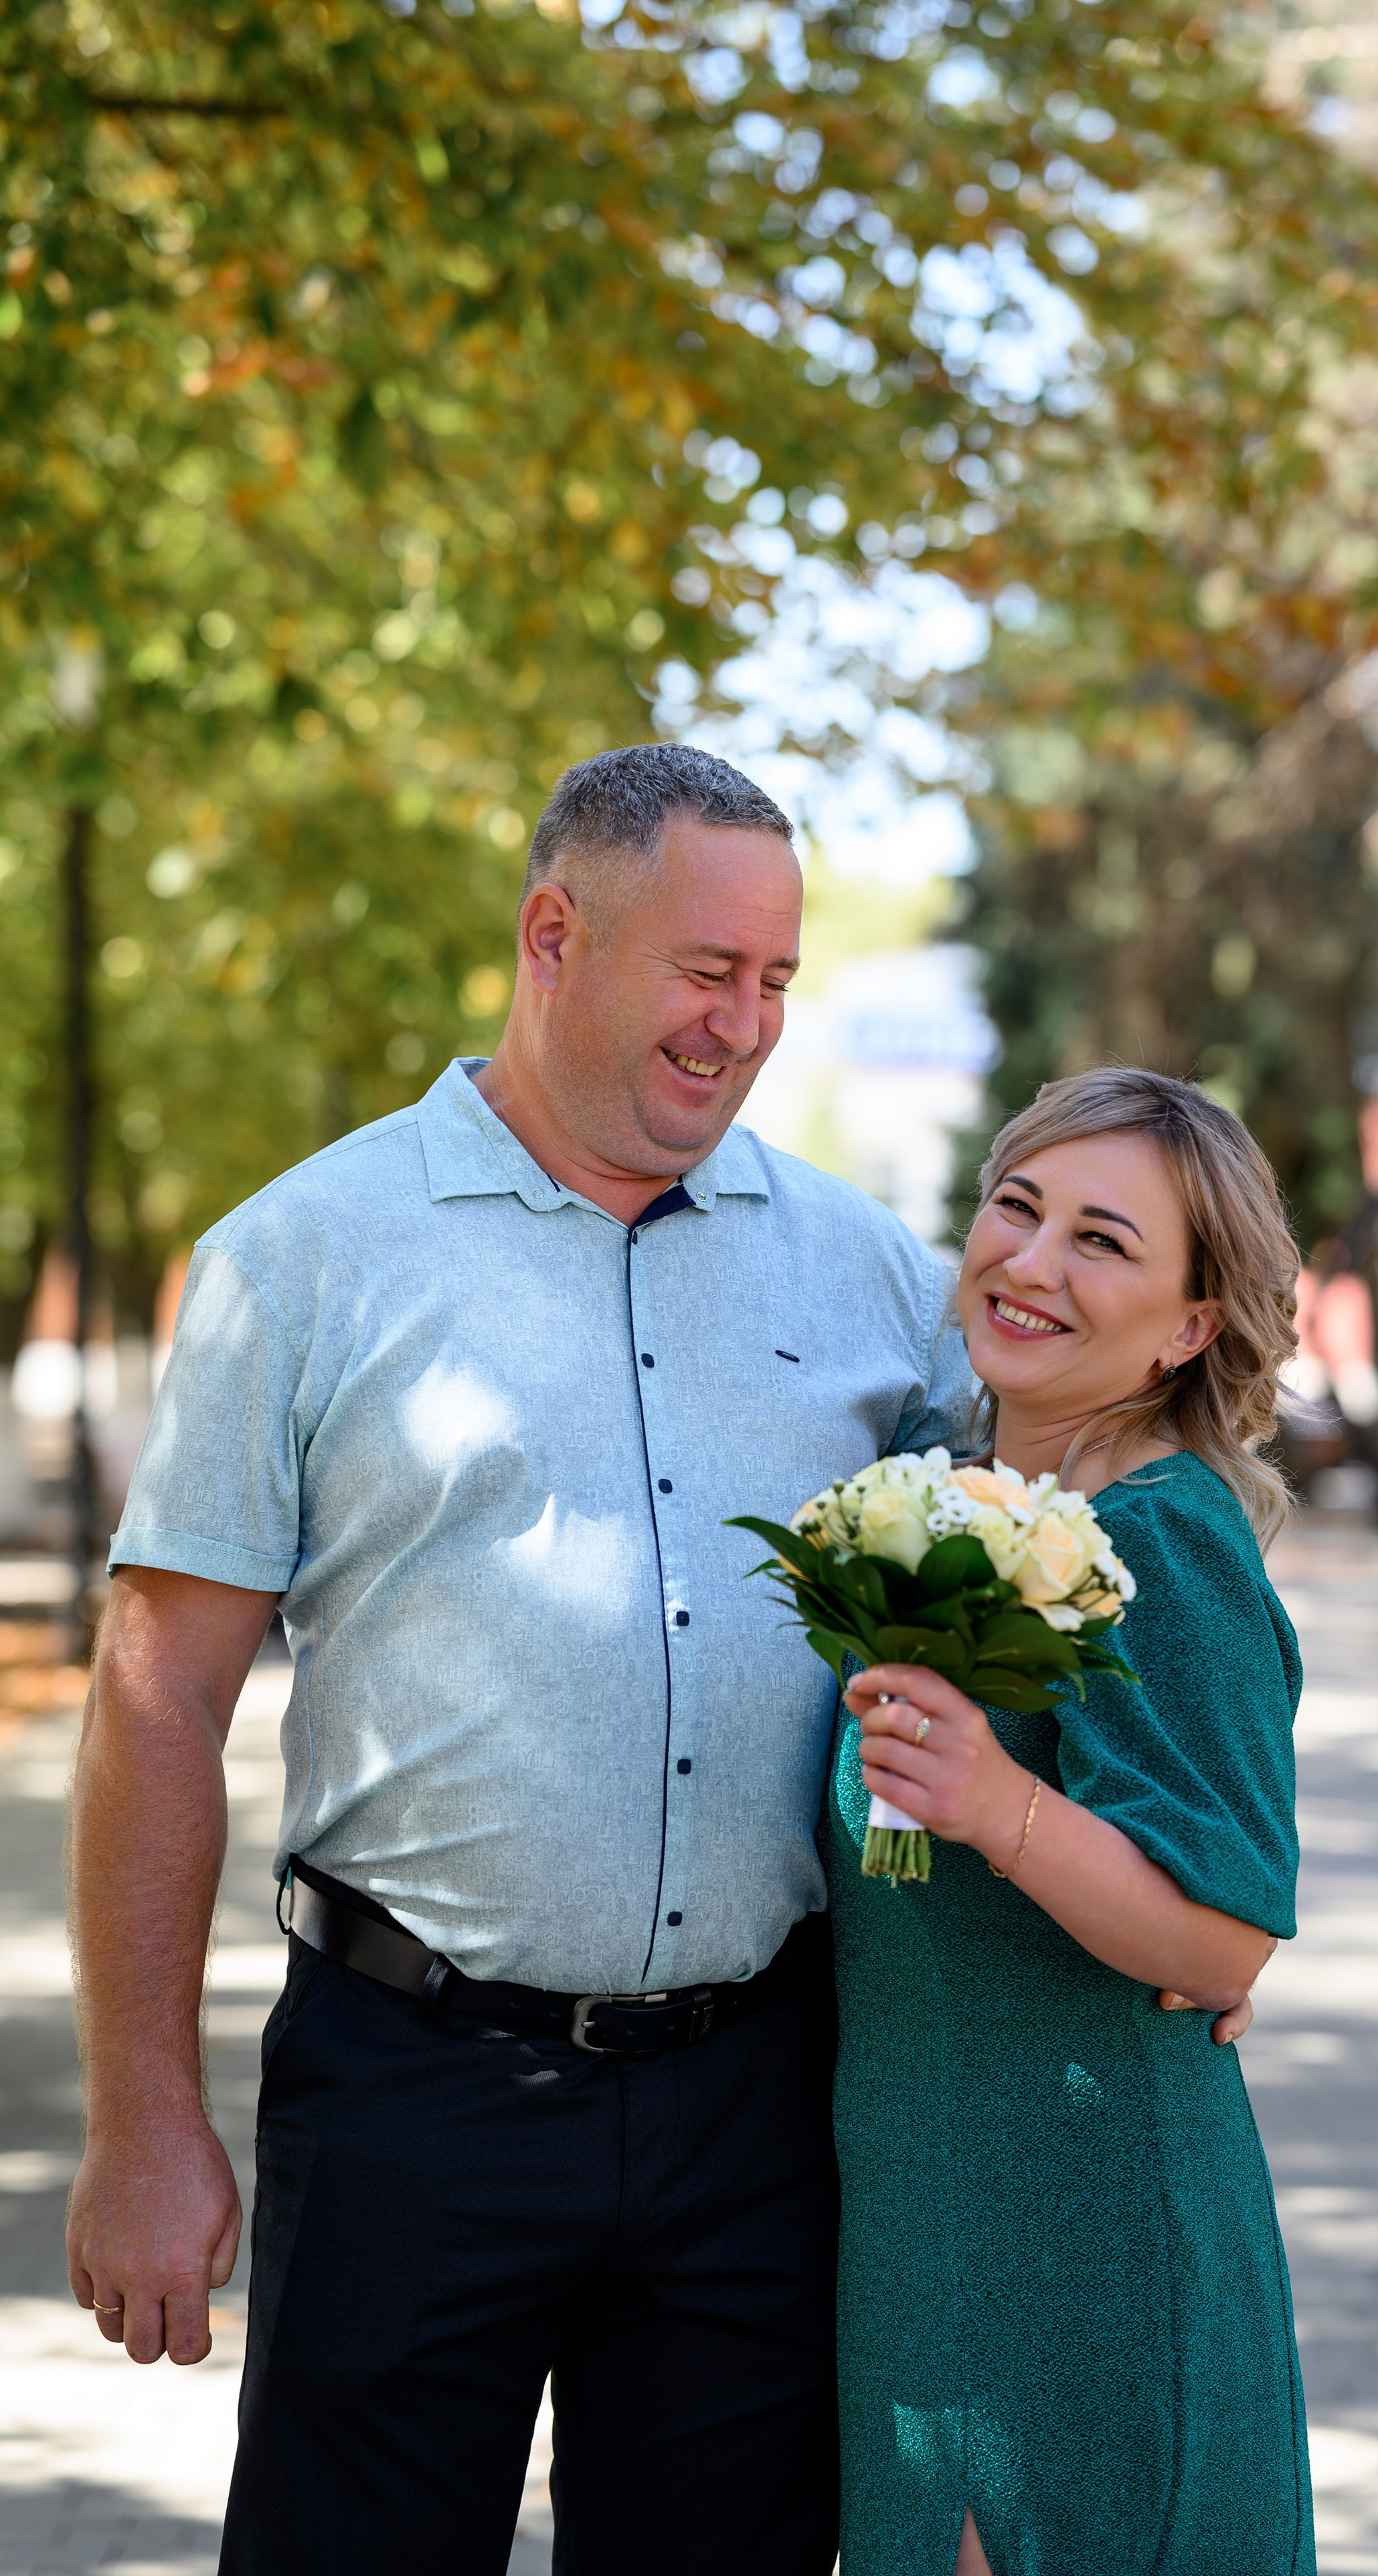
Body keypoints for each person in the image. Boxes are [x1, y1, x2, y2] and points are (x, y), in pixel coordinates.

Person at [63, 743, 977, 2576]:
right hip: (412, 2091)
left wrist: (1166, 1886)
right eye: (707, 971)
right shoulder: (299, 1262)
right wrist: (142, 2120)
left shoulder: (875, 1274)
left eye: (777, 980)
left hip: (761, 2102)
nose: (746, 1026)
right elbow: (157, 1703)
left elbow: (1048, 1582)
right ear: (553, 935)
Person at [829, 1066, 1312, 2576]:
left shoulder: (1164, 1542)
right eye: (1017, 1207)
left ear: (1189, 1327)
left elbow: (1223, 1937)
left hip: (1080, 2241)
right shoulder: (940, 1507)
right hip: (920, 2218)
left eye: (1102, 1241)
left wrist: (998, 1804)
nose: (1031, 1262)